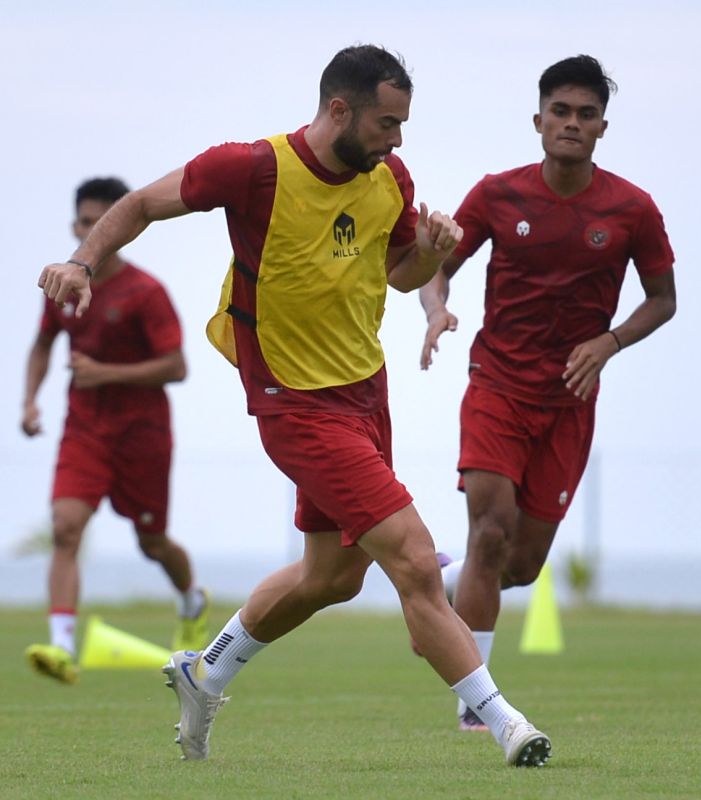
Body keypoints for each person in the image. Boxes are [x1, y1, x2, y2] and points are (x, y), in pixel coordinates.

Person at [38, 45, 551, 768]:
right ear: (338, 109)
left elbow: (403, 275)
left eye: (402, 126)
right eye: (385, 123)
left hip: (367, 394)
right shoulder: (253, 168)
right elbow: (141, 204)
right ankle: (505, 724)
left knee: (331, 578)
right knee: (413, 558)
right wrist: (81, 262)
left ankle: (206, 669)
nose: (397, 141)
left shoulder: (389, 177)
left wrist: (434, 253)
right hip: (294, 404)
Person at [418, 55, 676, 730]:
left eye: (585, 114)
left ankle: (450, 585)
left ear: (602, 127)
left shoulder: (632, 208)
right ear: (538, 121)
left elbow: (664, 300)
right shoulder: (498, 195)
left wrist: (610, 342)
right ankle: (478, 707)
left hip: (568, 403)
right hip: (497, 386)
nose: (571, 123)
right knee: (490, 529)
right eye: (560, 111)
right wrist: (435, 309)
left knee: (520, 566)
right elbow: (433, 268)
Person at [23, 177, 208, 685]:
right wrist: (30, 401)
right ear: (74, 225)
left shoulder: (146, 293)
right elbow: (42, 344)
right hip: (84, 430)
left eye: (101, 223)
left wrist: (106, 374)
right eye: (84, 223)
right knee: (65, 529)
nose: (90, 231)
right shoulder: (63, 284)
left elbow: (176, 367)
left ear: (120, 232)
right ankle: (62, 648)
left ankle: (191, 599)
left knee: (152, 542)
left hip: (142, 434)